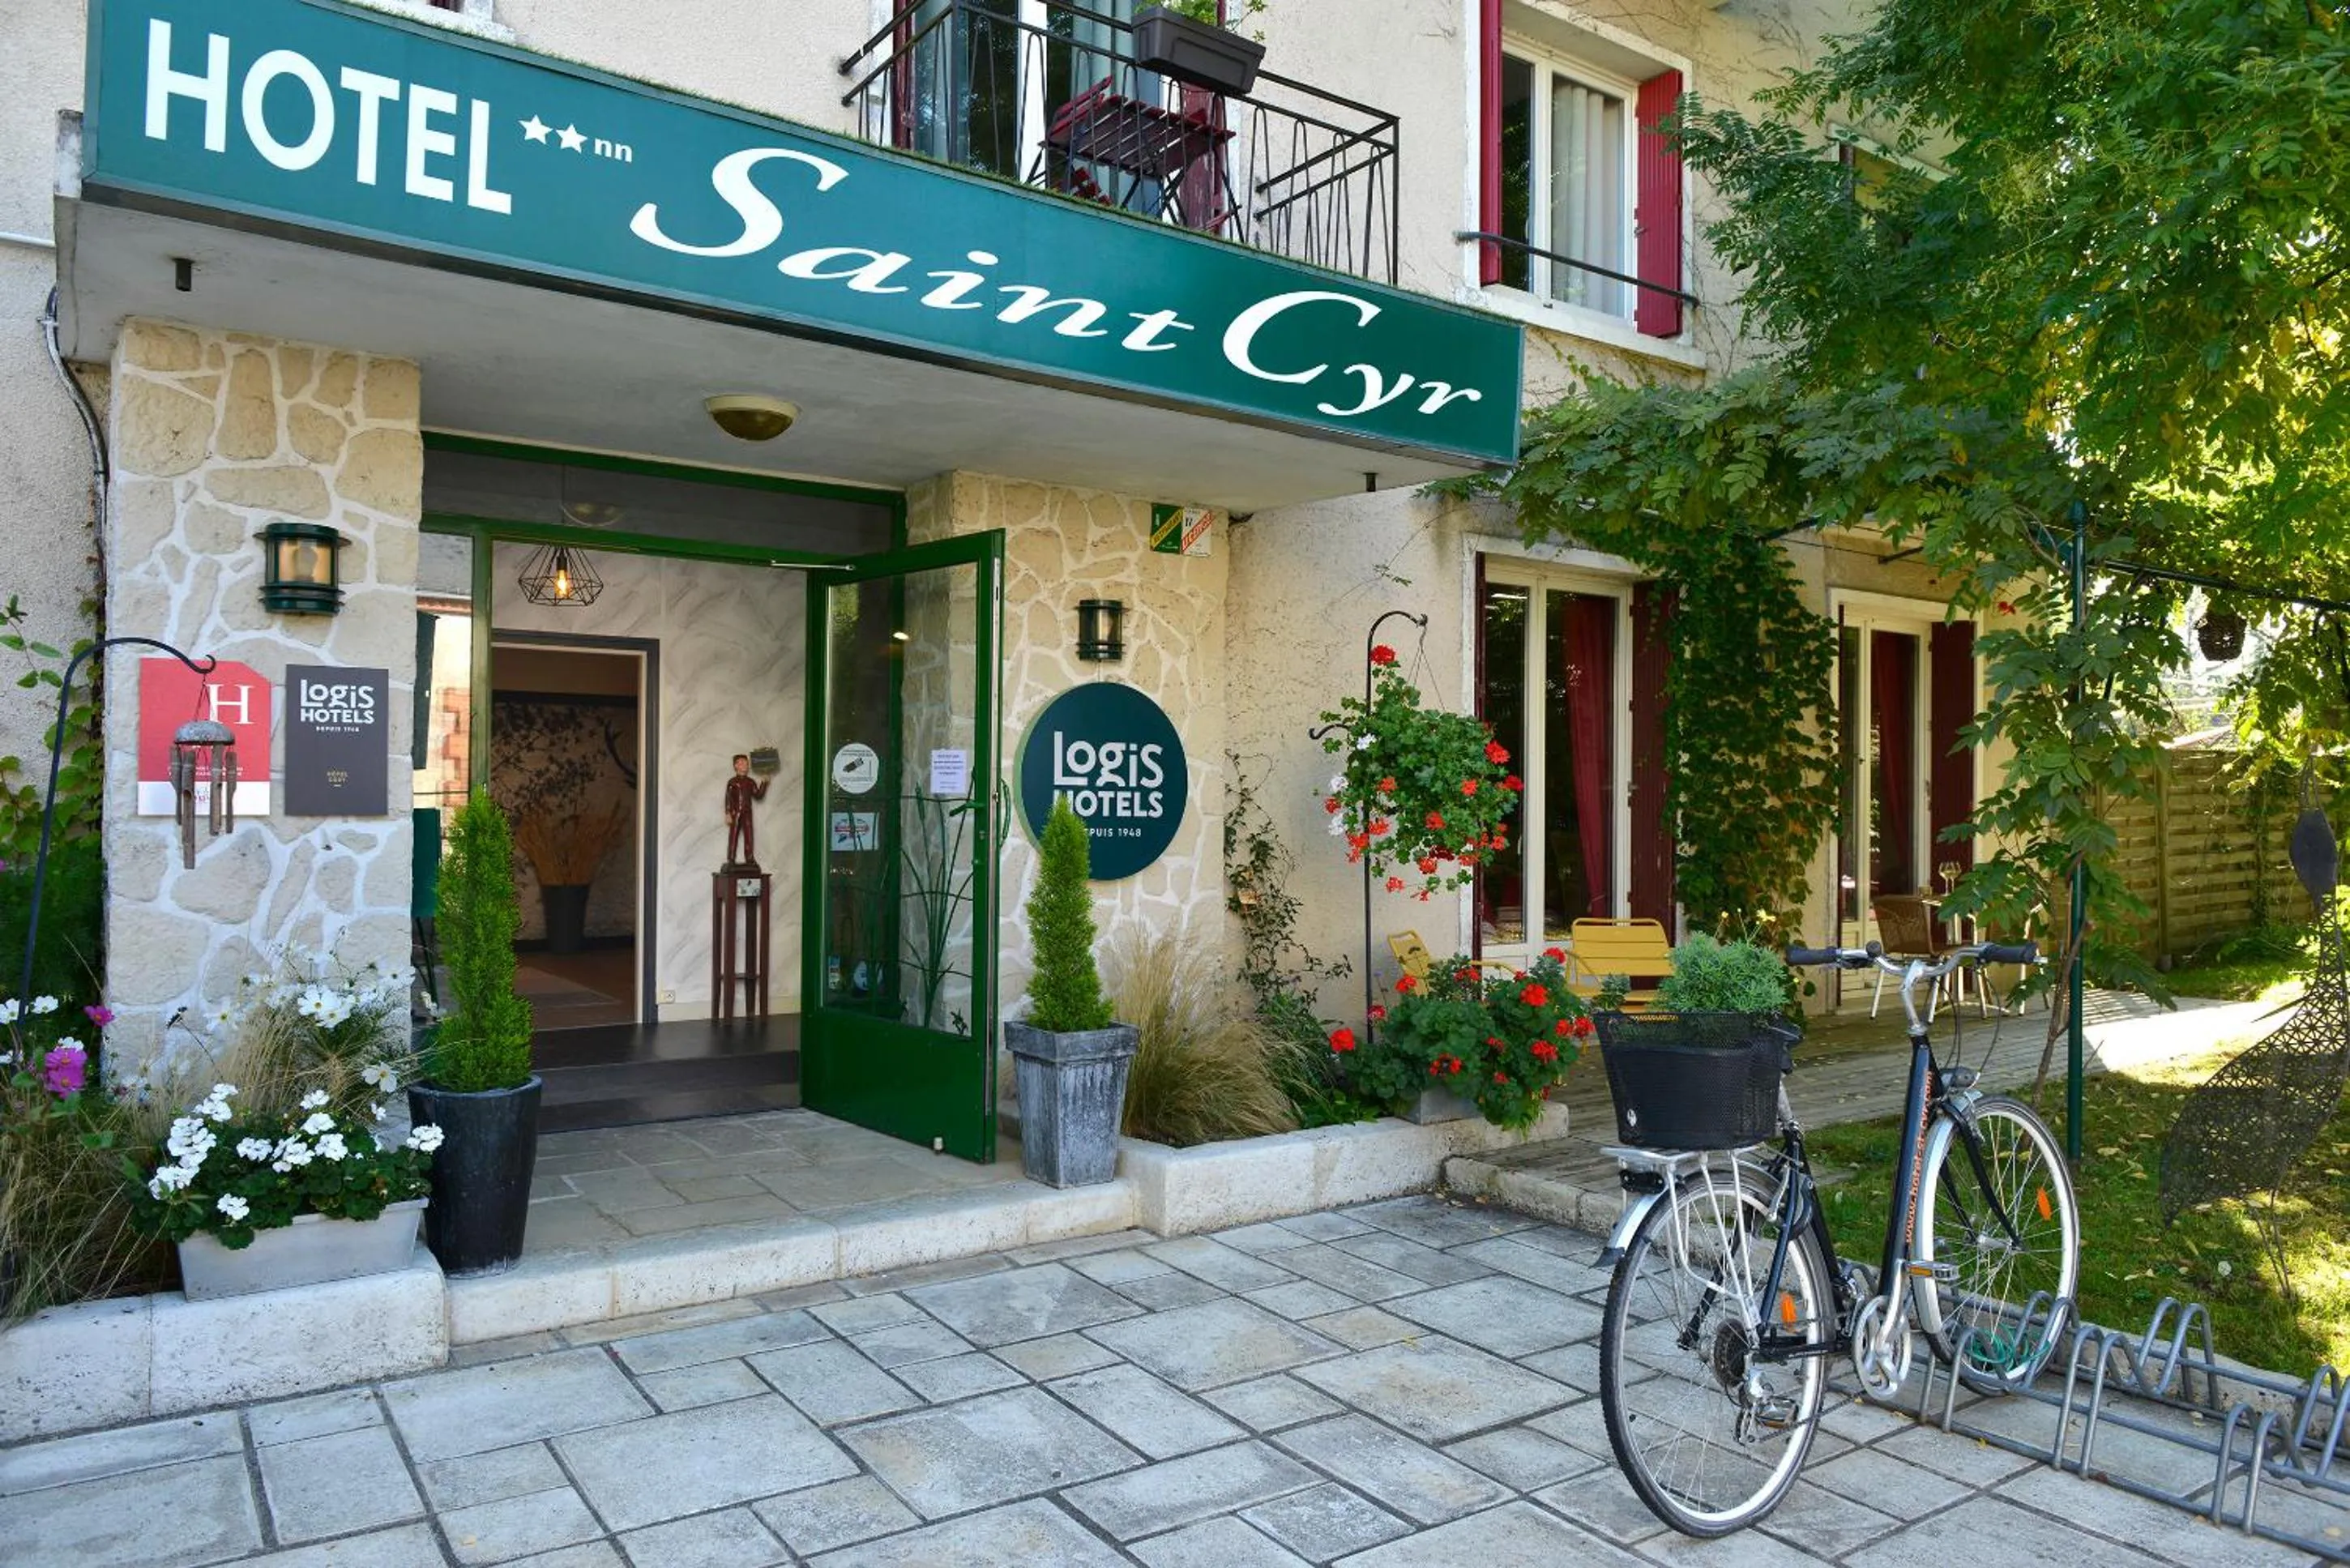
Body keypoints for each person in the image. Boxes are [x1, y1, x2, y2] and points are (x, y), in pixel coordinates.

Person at [723, 753, 768, 871]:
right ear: (735, 766)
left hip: (747, 812)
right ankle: (731, 858)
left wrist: (764, 783)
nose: (745, 765)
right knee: (734, 835)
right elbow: (728, 798)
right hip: (735, 812)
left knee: (749, 835)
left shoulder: (750, 782)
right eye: (741, 763)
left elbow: (758, 795)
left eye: (746, 763)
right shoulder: (732, 782)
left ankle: (750, 858)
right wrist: (728, 813)